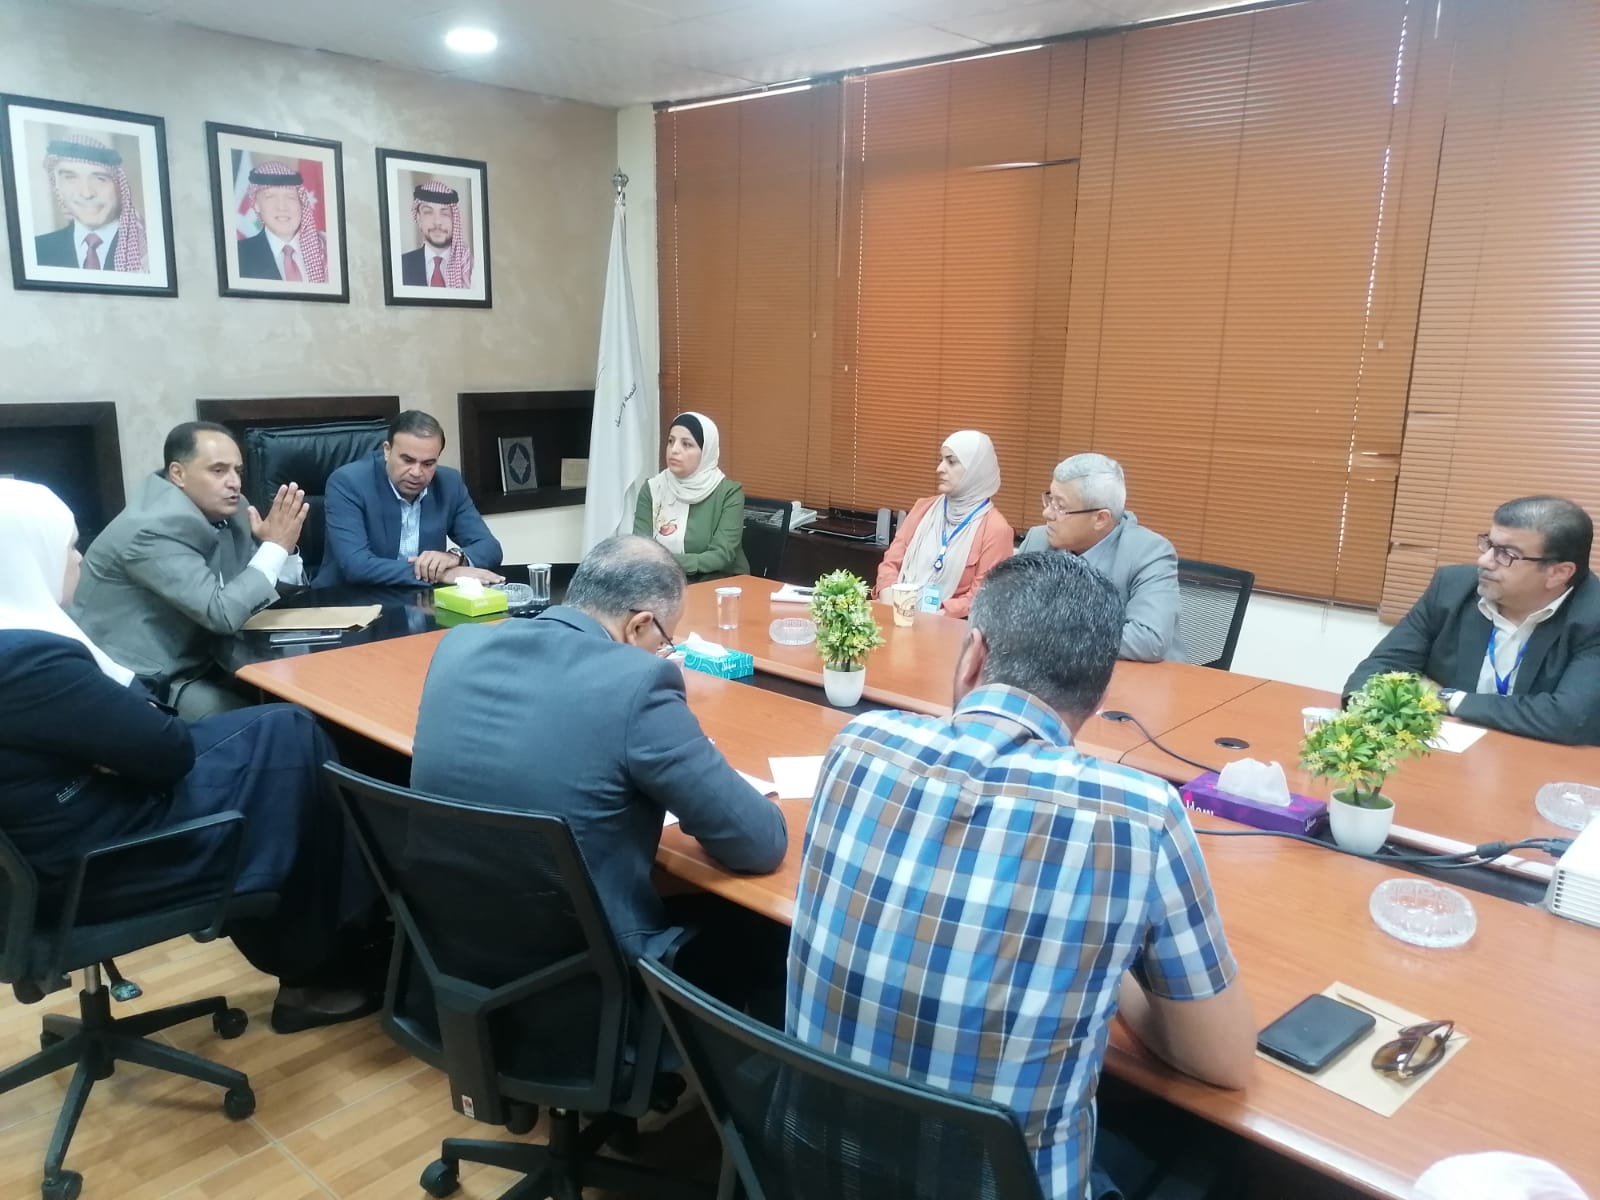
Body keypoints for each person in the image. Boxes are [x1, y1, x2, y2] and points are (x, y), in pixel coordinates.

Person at [789, 551, 1255, 1200]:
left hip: (808, 1168)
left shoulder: (858, 744)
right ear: (1098, 698)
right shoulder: (1139, 814)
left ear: (972, 655)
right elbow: (1223, 1061)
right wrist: (1109, 952)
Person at [0, 479, 382, 1033]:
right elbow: (167, 751)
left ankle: (328, 943)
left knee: (282, 730)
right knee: (293, 742)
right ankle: (320, 968)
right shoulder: (26, 662)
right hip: (94, 864)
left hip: (49, 849)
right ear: (23, 556)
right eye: (68, 546)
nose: (79, 558)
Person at [412, 535, 789, 1017]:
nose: (663, 653)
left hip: (453, 946)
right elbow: (758, 844)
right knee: (764, 929)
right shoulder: (637, 683)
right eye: (665, 642)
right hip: (582, 973)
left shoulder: (458, 645)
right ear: (639, 625)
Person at [69, 421, 309, 720]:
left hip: (210, 655)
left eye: (238, 471)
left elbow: (253, 593)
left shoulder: (235, 510)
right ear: (178, 474)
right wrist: (274, 547)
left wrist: (281, 550)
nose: (234, 482)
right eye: (218, 470)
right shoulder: (152, 528)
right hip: (143, 679)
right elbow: (222, 613)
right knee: (275, 721)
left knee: (305, 693)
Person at [1345, 496, 1600, 745]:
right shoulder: (1451, 588)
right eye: (1488, 544)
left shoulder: (1593, 616)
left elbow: (1569, 719)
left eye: (1506, 554)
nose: (1484, 561)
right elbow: (1375, 674)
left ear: (1558, 573)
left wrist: (1448, 698)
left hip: (1540, 761)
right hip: (1442, 752)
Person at [1019, 453, 1182, 661]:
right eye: (1050, 499)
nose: (1047, 514)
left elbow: (1149, 639)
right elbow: (1006, 610)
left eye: (1060, 506)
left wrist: (1052, 636)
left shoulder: (1149, 553)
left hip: (1137, 675)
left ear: (1100, 519)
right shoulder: (1037, 540)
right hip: (1052, 670)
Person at [316, 410, 504, 587]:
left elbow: (490, 548)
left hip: (419, 600)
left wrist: (455, 557)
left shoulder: (449, 483)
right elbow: (356, 566)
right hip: (348, 601)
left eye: (428, 463)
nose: (416, 472)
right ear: (387, 450)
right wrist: (440, 574)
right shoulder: (348, 483)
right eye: (407, 460)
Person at [874, 431, 1013, 618]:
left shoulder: (996, 530)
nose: (939, 468)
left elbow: (982, 597)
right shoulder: (923, 508)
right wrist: (891, 604)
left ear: (975, 470)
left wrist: (933, 618)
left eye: (951, 462)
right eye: (942, 460)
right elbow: (890, 564)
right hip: (896, 614)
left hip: (948, 626)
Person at [634, 412, 749, 583]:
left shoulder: (729, 493)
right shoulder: (652, 489)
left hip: (717, 583)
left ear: (706, 452)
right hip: (662, 583)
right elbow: (640, 550)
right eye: (671, 441)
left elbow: (721, 556)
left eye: (686, 444)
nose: (674, 450)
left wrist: (664, 561)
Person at [34, 135, 147, 272]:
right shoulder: (37, 250)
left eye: (100, 179)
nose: (87, 193)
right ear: (57, 186)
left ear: (119, 187)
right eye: (70, 178)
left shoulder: (147, 250)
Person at [235, 160, 328, 283]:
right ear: (256, 205)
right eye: (270, 197)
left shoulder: (326, 249)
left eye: (290, 197)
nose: (282, 207)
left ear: (301, 203)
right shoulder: (239, 255)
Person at [399, 181, 473, 288]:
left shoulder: (470, 267)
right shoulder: (400, 266)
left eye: (445, 213)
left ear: (454, 219)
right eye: (428, 212)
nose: (437, 222)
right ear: (419, 219)